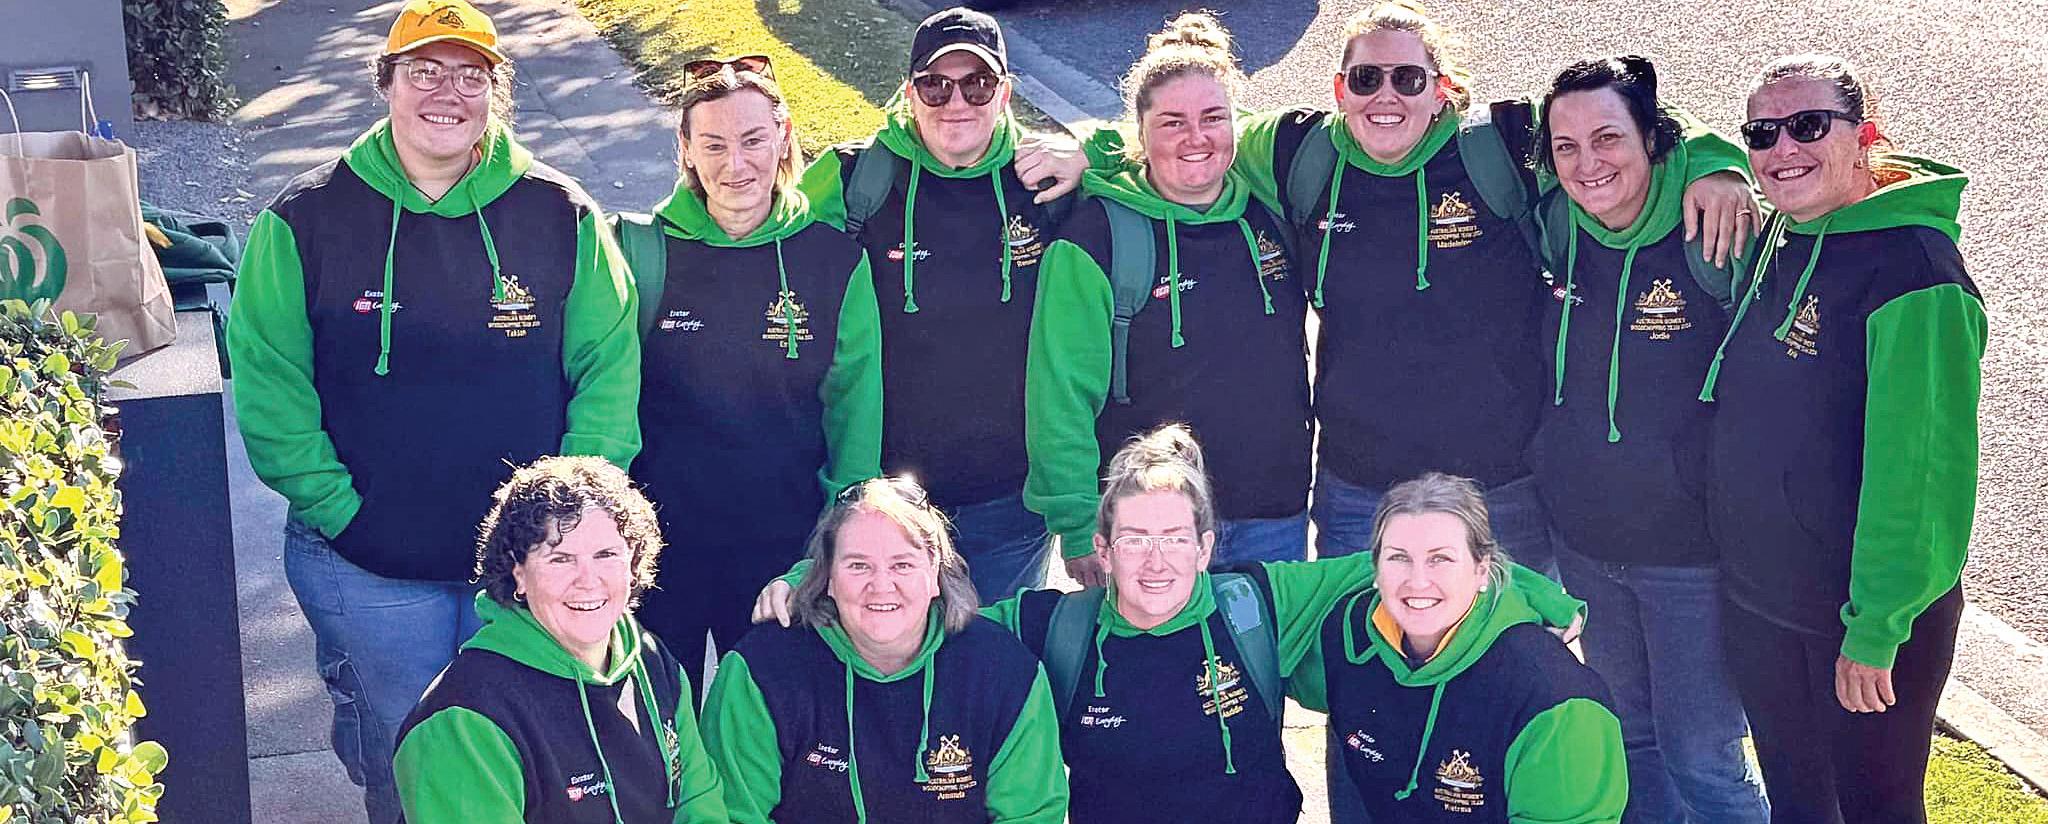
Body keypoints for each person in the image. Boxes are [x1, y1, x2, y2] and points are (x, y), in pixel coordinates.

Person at [226, 1, 638, 819]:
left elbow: (609, 368)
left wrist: (576, 515)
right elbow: (270, 381)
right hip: (369, 562)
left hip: (528, 561)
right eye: (423, 71)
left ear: (495, 92)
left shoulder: (560, 213)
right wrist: (341, 513)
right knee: (405, 755)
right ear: (386, 83)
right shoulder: (303, 218)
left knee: (529, 752)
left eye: (470, 75)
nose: (447, 92)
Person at [754, 423, 1583, 823]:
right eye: (1135, 540)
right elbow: (908, 609)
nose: (1155, 561)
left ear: (1206, 547)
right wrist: (811, 578)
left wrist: (1547, 608)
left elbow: (1407, 561)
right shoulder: (1052, 628)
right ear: (1101, 550)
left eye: (1175, 539)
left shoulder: (1258, 604)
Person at [1184, 0, 1753, 580]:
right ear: (1339, 89)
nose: (1386, 96)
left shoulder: (1500, 142)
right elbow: (1184, 137)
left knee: (1510, 636)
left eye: (1409, 79)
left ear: (1442, 90)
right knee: (1360, 634)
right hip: (1359, 486)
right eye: (1366, 78)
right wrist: (1114, 159)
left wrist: (1715, 163)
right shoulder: (1297, 151)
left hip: (1502, 489)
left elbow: (1622, 114)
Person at [1700, 54, 1984, 823]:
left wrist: (1877, 628)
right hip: (1763, 599)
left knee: (1877, 809)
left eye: (1808, 125)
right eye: (1762, 133)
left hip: (1857, 616)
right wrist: (1712, 165)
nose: (1782, 148)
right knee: (1797, 804)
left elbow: (1920, 475)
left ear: (1865, 136)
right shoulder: (1784, 231)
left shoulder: (1916, 272)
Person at [1527, 55, 1768, 823]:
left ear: (1653, 141)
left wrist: (1720, 161)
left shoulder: (1714, 232)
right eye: (1567, 146)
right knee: (1628, 741)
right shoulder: (1558, 222)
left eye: (1609, 139)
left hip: (1691, 557)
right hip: (1586, 546)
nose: (1588, 164)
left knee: (1704, 759)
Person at [798, 6, 1090, 599]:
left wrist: (1092, 153)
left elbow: (1167, 152)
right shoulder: (856, 181)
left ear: (1004, 93)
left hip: (1009, 504)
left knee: (994, 653)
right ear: (910, 94)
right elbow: (762, 232)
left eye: (977, 84)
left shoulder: (1046, 182)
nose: (956, 102)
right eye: (935, 86)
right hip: (885, 504)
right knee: (892, 651)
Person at [623, 54, 882, 686]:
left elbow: (855, 418)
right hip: (657, 550)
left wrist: (832, 546)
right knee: (660, 721)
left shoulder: (834, 261)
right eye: (713, 144)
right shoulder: (638, 249)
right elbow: (601, 392)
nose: (735, 164)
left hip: (783, 553)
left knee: (773, 721)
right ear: (686, 149)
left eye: (753, 140)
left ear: (784, 136)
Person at [1027, 12, 1314, 579]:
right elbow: (1059, 395)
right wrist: (1078, 525)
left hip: (1273, 515)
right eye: (1172, 122)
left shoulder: (1270, 207)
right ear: (1140, 133)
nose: (1196, 138)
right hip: (1149, 529)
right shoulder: (1097, 237)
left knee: (1263, 643)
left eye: (1213, 118)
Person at [701, 477, 1069, 822]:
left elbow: (1030, 814)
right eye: (858, 565)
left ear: (935, 575)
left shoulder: (1002, 671)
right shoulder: (763, 672)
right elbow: (733, 814)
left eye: (902, 565)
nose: (881, 585)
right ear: (827, 577)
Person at [392, 457, 725, 822]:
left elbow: (699, 799)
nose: (588, 580)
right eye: (561, 559)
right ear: (518, 573)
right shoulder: (463, 722)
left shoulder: (650, 658)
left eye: (606, 555)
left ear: (633, 564)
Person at [1294, 473, 1629, 822]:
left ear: (1483, 569)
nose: (1418, 581)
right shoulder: (1347, 637)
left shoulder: (1555, 702)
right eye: (1399, 558)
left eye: (1441, 559)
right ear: (1374, 569)